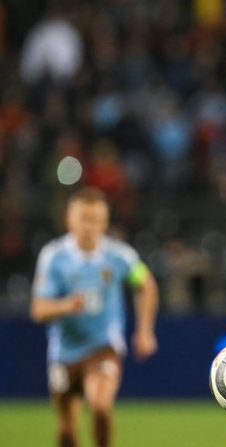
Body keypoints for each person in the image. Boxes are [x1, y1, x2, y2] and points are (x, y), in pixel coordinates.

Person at [30, 188, 159, 447]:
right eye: (83, 218)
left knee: (100, 405)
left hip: (103, 347)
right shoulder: (53, 257)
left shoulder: (119, 256)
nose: (89, 226)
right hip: (64, 352)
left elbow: (145, 285)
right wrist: (66, 306)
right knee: (67, 429)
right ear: (69, 219)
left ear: (105, 222)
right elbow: (38, 310)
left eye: (96, 219)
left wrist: (145, 330)